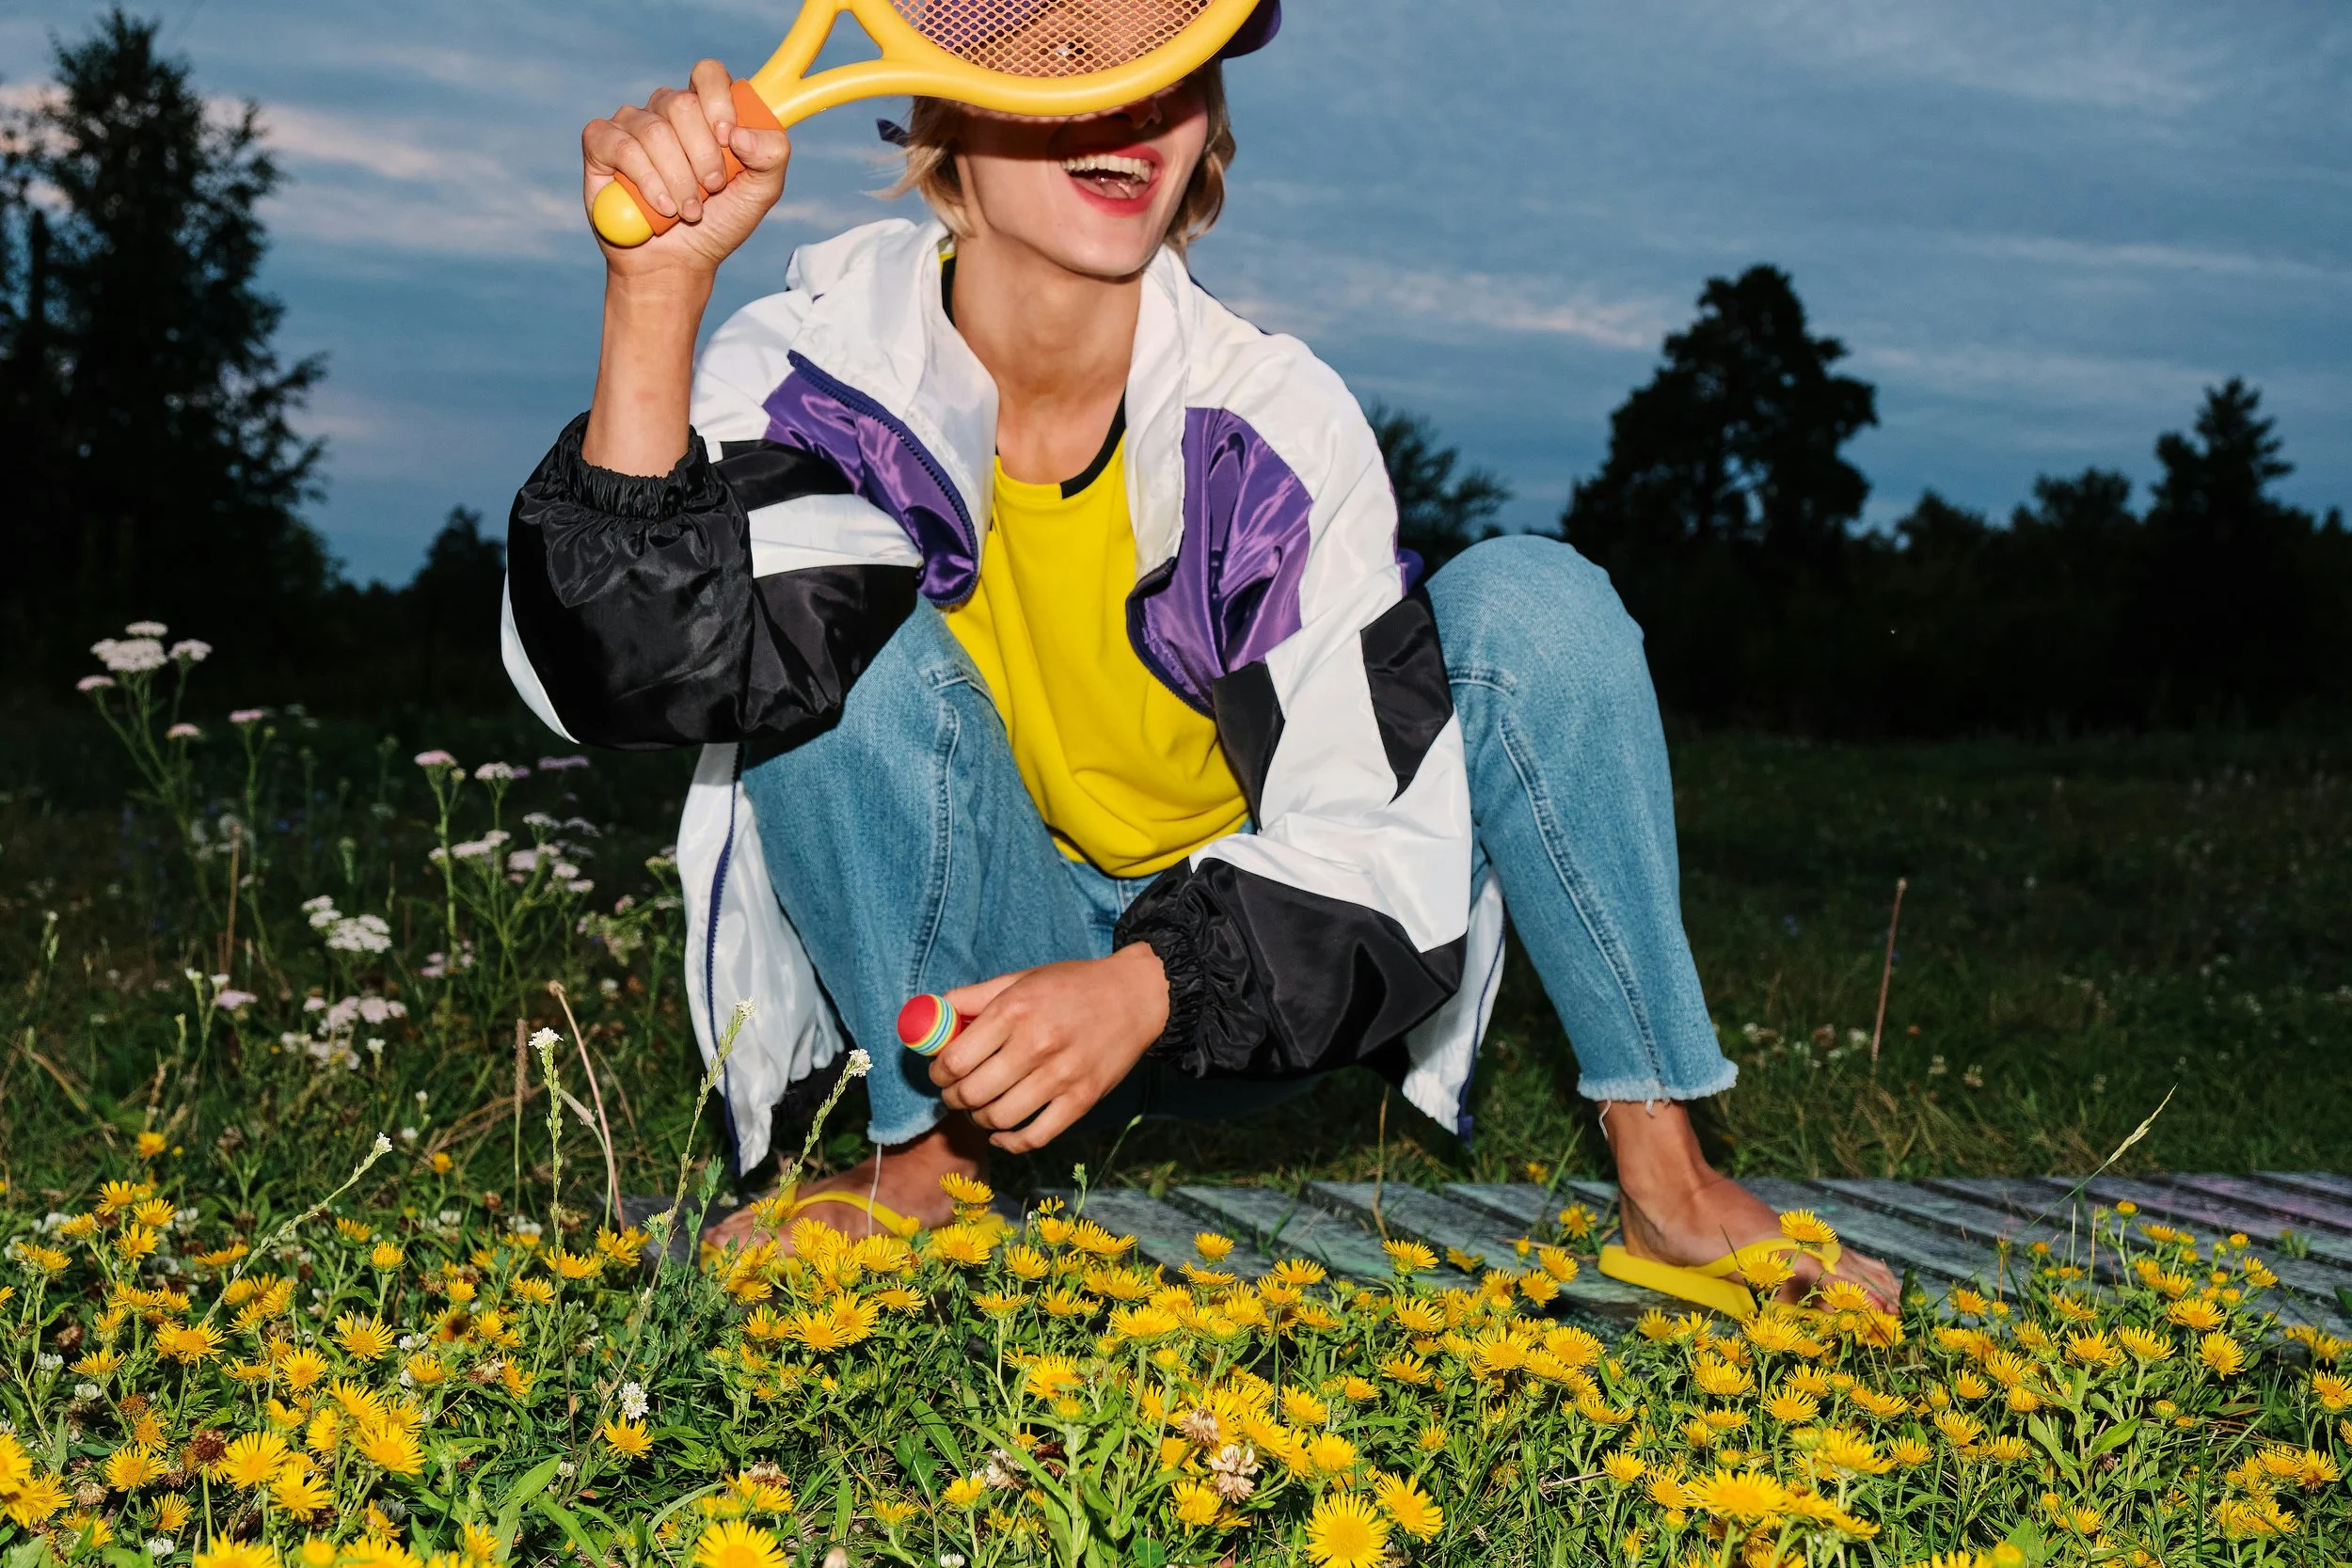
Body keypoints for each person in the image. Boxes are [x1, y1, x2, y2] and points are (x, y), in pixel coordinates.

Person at [501, 1, 1895, 1308]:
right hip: (982, 971)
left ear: (1206, 123)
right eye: (1060, 50)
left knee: (1535, 602)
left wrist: (1149, 982)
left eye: (1163, 64)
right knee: (817, 641)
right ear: (950, 129)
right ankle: (930, 1155)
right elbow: (641, 670)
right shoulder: (816, 365)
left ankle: (1670, 1181)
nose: (1122, 106)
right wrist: (656, 297)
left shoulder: (1278, 419)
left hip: (1243, 993)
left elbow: (1381, 839)